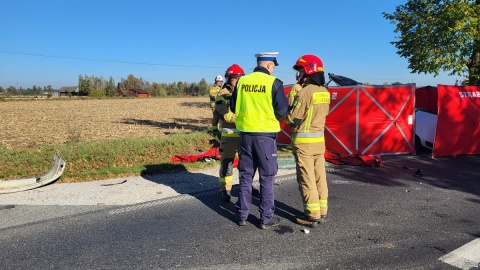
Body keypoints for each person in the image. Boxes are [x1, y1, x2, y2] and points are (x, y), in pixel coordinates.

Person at [230, 52, 289, 229]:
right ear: (270, 65)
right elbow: (282, 112)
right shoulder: (274, 83)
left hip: (245, 136)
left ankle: (241, 216)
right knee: (267, 177)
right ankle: (266, 218)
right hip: (265, 137)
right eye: (273, 66)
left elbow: (233, 106)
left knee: (246, 176)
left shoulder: (242, 82)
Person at [285, 54, 330, 227]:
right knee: (320, 176)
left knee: (307, 178)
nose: (299, 74)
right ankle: (322, 210)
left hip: (304, 144)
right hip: (319, 142)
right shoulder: (324, 92)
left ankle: (312, 215)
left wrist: (284, 114)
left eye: (301, 70)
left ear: (308, 71)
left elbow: (293, 120)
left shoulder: (304, 93)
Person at [214, 64, 245, 201]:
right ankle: (225, 189)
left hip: (244, 135)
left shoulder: (245, 92)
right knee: (227, 164)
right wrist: (242, 120)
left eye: (240, 78)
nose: (237, 80)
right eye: (235, 78)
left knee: (245, 164)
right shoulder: (222, 94)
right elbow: (223, 113)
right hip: (229, 135)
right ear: (228, 78)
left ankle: (245, 187)